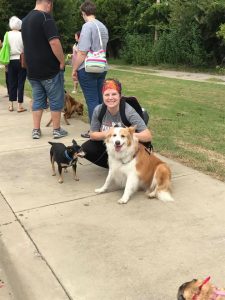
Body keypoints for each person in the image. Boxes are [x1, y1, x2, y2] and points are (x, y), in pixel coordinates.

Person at [80, 79, 152, 168]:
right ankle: (114, 166)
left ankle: (131, 166)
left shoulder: (128, 111)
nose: (110, 98)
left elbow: (148, 136)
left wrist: (126, 134)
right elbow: (92, 134)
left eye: (114, 94)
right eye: (107, 94)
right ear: (102, 96)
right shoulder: (98, 110)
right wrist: (109, 133)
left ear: (120, 96)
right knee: (86, 149)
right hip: (113, 144)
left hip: (128, 146)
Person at [21, 0, 67, 139]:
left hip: (33, 70)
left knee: (37, 100)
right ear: (49, 3)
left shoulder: (25, 20)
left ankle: (36, 130)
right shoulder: (45, 17)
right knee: (55, 100)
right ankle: (57, 130)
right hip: (49, 69)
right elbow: (54, 42)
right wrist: (62, 61)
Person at [72, 0, 109, 139]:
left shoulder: (87, 26)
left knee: (92, 101)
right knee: (100, 99)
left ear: (83, 13)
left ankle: (95, 131)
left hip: (88, 68)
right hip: (102, 66)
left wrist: (74, 69)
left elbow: (82, 52)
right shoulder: (103, 26)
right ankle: (104, 127)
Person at [7, 16, 27, 112]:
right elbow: (25, 47)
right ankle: (20, 105)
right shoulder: (22, 35)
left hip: (10, 60)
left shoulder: (7, 35)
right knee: (20, 83)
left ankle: (11, 105)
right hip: (21, 60)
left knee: (12, 82)